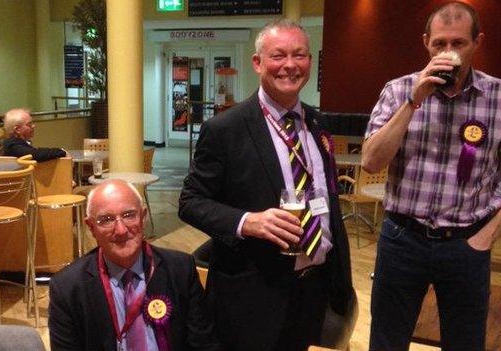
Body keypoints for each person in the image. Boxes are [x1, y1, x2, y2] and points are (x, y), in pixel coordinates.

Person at [178, 18, 354, 351]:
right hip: (253, 297)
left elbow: (327, 199)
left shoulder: (318, 123)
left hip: (314, 290)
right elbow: (190, 202)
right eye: (278, 55)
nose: (290, 65)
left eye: (299, 55)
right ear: (258, 63)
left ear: (310, 62)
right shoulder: (226, 129)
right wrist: (249, 222)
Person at [362, 2, 500, 350]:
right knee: (386, 341)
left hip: (466, 244)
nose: (448, 52)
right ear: (426, 42)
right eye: (440, 44)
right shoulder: (398, 90)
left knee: (466, 341)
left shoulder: (497, 97)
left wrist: (487, 234)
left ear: (477, 42)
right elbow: (371, 162)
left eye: (458, 43)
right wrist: (414, 100)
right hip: (402, 239)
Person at [48, 179, 220, 351]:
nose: (121, 230)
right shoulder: (67, 288)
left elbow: (204, 345)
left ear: (143, 217)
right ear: (91, 227)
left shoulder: (181, 270)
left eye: (129, 215)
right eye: (106, 220)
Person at [2, 108, 66, 161]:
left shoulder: (17, 142)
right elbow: (35, 154)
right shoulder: (12, 145)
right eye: (29, 124)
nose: (33, 126)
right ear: (17, 129)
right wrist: (61, 151)